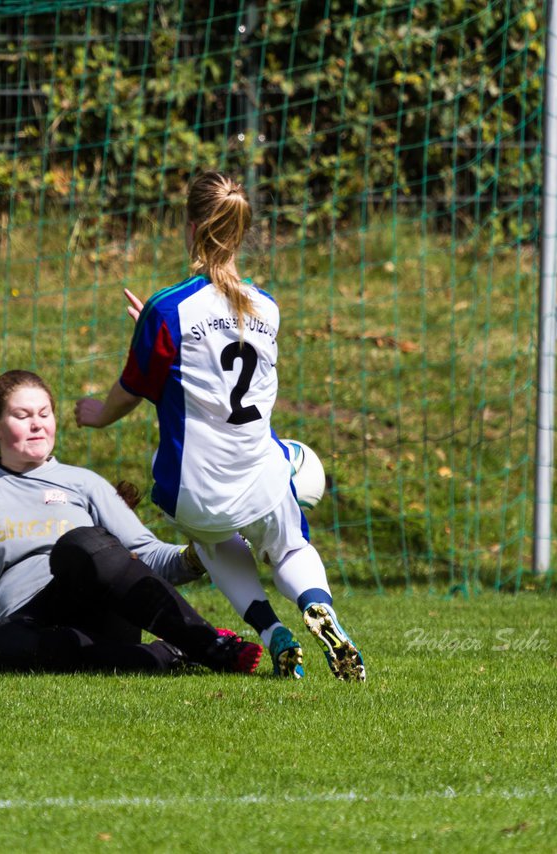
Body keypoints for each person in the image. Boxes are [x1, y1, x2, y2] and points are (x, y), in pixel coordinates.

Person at [74, 171, 365, 682]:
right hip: (261, 474)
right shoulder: (267, 308)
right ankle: (319, 607)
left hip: (195, 490)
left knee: (214, 542)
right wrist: (157, 330)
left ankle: (273, 632)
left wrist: (97, 412)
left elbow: (135, 388)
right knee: (292, 547)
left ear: (189, 228)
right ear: (239, 232)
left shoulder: (168, 309)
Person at [0, 369, 264, 675]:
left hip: (102, 611)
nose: (37, 424)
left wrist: (197, 555)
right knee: (0, 650)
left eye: (44, 414)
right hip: (23, 620)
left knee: (78, 544)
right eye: (22, 415)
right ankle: (168, 653)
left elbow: (146, 555)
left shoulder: (84, 482)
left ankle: (208, 644)